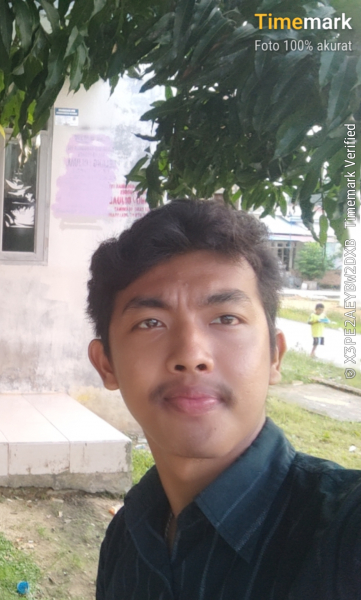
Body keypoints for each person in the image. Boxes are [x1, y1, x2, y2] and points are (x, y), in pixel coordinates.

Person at [86, 199, 361, 599]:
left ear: (275, 356)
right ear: (106, 364)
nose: (191, 355)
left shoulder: (344, 533)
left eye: (226, 318)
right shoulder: (126, 536)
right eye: (150, 323)